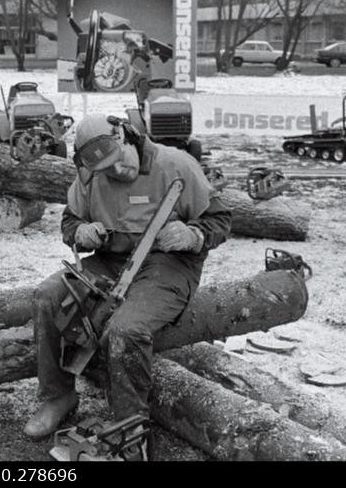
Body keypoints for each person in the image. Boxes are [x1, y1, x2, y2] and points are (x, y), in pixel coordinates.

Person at [23, 113, 232, 460]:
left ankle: (131, 429)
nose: (117, 173)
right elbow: (69, 220)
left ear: (125, 136)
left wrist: (193, 235)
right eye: (106, 170)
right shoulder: (88, 177)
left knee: (125, 329)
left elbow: (220, 219)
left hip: (167, 263)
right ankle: (57, 395)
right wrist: (80, 232)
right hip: (110, 259)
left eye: (118, 162)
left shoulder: (176, 164)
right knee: (47, 297)